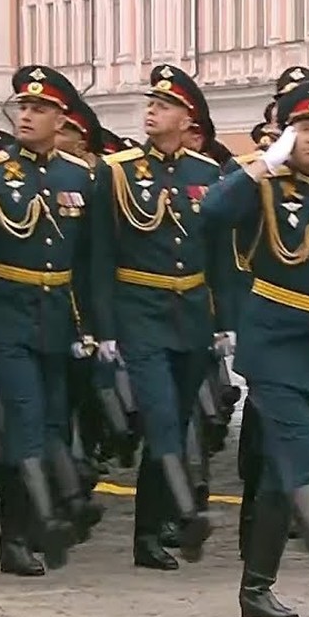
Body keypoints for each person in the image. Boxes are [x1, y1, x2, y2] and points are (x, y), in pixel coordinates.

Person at [202, 78, 309, 617]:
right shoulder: (259, 184)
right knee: (300, 450)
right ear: (285, 134)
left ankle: (257, 586)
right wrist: (261, 165)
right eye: (303, 128)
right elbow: (211, 213)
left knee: (279, 471)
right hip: (274, 342)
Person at [0, 65, 104, 576]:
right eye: (22, 107)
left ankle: (39, 521)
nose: (26, 115)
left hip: (57, 318)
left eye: (39, 109)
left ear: (60, 119)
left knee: (50, 421)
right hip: (6, 316)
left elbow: (88, 263)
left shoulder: (79, 176)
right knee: (23, 419)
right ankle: (20, 533)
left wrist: (92, 325)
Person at [90, 64, 232, 569]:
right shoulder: (119, 172)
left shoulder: (206, 174)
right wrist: (103, 328)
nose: (152, 112)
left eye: (164, 106)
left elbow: (219, 255)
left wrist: (223, 320)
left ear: (187, 119)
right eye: (151, 104)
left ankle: (157, 526)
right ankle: (173, 520)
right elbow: (101, 256)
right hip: (139, 312)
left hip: (190, 315)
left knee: (174, 418)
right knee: (159, 416)